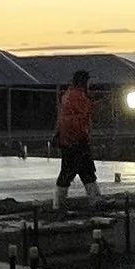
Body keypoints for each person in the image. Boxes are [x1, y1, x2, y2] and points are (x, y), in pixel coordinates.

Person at [53, 69, 100, 208]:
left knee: (86, 170)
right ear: (83, 82)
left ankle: (95, 199)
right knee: (70, 171)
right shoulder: (78, 97)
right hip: (75, 140)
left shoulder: (68, 95)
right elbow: (80, 119)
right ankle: (58, 203)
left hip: (69, 138)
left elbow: (64, 118)